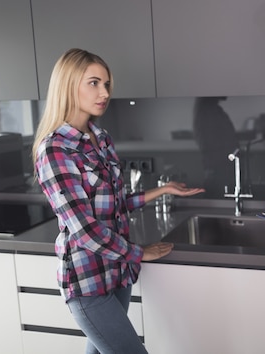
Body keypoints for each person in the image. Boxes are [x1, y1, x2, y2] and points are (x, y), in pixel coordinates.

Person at [32, 48, 204, 354]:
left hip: (117, 272)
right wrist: (139, 252)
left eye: (107, 84)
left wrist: (162, 191)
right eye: (94, 83)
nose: (104, 92)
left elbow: (115, 203)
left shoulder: (102, 138)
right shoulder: (56, 149)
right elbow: (84, 229)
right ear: (69, 85)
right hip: (87, 281)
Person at [192, 96, 239, 198]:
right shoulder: (209, 113)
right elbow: (214, 142)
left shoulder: (210, 111)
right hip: (217, 169)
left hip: (217, 168)